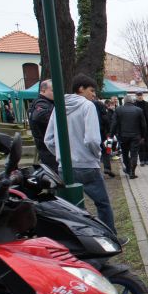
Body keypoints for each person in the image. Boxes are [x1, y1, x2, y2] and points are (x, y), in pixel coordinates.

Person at [44, 74, 116, 234]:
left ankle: (75, 238)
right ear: (81, 89)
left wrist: (62, 155)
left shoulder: (59, 106)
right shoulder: (87, 106)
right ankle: (110, 236)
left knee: (69, 208)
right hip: (87, 165)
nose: (94, 94)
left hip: (65, 167)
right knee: (102, 204)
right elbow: (92, 139)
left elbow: (48, 140)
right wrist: (96, 156)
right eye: (91, 90)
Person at [111, 94, 147, 179]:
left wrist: (111, 134)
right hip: (135, 136)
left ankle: (128, 168)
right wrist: (143, 136)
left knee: (125, 153)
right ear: (132, 101)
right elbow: (143, 125)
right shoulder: (138, 110)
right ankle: (132, 172)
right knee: (134, 154)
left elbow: (114, 123)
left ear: (124, 101)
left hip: (123, 136)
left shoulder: (118, 110)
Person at [28, 79, 58, 171]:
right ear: (43, 90)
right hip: (48, 150)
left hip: (48, 149)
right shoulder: (41, 103)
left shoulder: (47, 103)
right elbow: (40, 116)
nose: (56, 93)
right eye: (53, 90)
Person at [93, 95, 115, 178]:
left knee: (98, 150)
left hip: (92, 131)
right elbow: (105, 118)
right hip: (101, 131)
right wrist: (109, 131)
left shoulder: (85, 104)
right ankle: (107, 168)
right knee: (105, 150)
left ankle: (100, 169)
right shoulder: (99, 104)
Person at [134, 92, 148, 166]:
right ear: (136, 96)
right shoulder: (134, 105)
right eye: (138, 95)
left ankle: (147, 159)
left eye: (141, 95)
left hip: (147, 127)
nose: (139, 97)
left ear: (143, 96)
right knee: (140, 144)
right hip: (138, 128)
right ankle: (142, 160)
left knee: (147, 143)